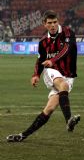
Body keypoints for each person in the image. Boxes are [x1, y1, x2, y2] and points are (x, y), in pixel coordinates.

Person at [6, 10, 80, 142]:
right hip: (52, 71)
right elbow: (40, 60)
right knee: (63, 85)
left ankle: (23, 135)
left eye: (55, 22)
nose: (53, 25)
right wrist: (36, 75)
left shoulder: (68, 32)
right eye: (50, 23)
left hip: (69, 75)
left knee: (50, 108)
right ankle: (69, 120)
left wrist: (53, 59)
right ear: (44, 24)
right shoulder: (43, 42)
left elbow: (67, 49)